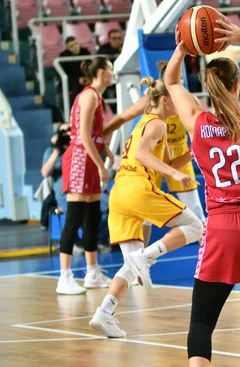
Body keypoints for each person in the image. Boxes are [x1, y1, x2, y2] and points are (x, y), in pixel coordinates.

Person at [165, 17, 240, 367]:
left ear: (208, 89)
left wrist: (184, 46)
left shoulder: (197, 121)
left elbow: (171, 79)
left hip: (224, 226)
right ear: (237, 86)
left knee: (203, 319)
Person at [89, 76, 204, 338]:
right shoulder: (158, 124)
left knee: (130, 267)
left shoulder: (145, 120)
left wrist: (191, 154)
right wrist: (176, 177)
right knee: (196, 226)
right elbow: (142, 155)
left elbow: (159, 163)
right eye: (174, 98)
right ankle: (146, 257)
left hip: (120, 193)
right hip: (137, 188)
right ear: (165, 100)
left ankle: (104, 313)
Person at [103, 61, 206, 247]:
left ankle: (207, 254)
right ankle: (144, 255)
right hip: (153, 158)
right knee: (146, 218)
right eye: (175, 79)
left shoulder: (190, 101)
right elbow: (121, 118)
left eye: (181, 78)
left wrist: (196, 150)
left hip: (177, 154)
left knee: (196, 210)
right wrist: (101, 137)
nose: (179, 83)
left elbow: (201, 132)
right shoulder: (151, 105)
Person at [56, 57, 114, 295]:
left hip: (91, 157)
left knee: (91, 216)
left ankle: (92, 272)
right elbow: (83, 136)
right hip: (81, 159)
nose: (112, 73)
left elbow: (96, 134)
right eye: (110, 69)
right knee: (74, 217)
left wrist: (106, 150)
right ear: (101, 72)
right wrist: (101, 165)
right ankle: (65, 276)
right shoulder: (89, 95)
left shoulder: (96, 96)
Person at [59, 37, 91, 106]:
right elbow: (64, 74)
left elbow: (91, 68)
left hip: (86, 79)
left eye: (76, 44)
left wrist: (88, 78)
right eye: (71, 46)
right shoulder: (63, 57)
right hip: (72, 82)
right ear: (68, 48)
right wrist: (77, 79)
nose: (75, 47)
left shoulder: (86, 53)